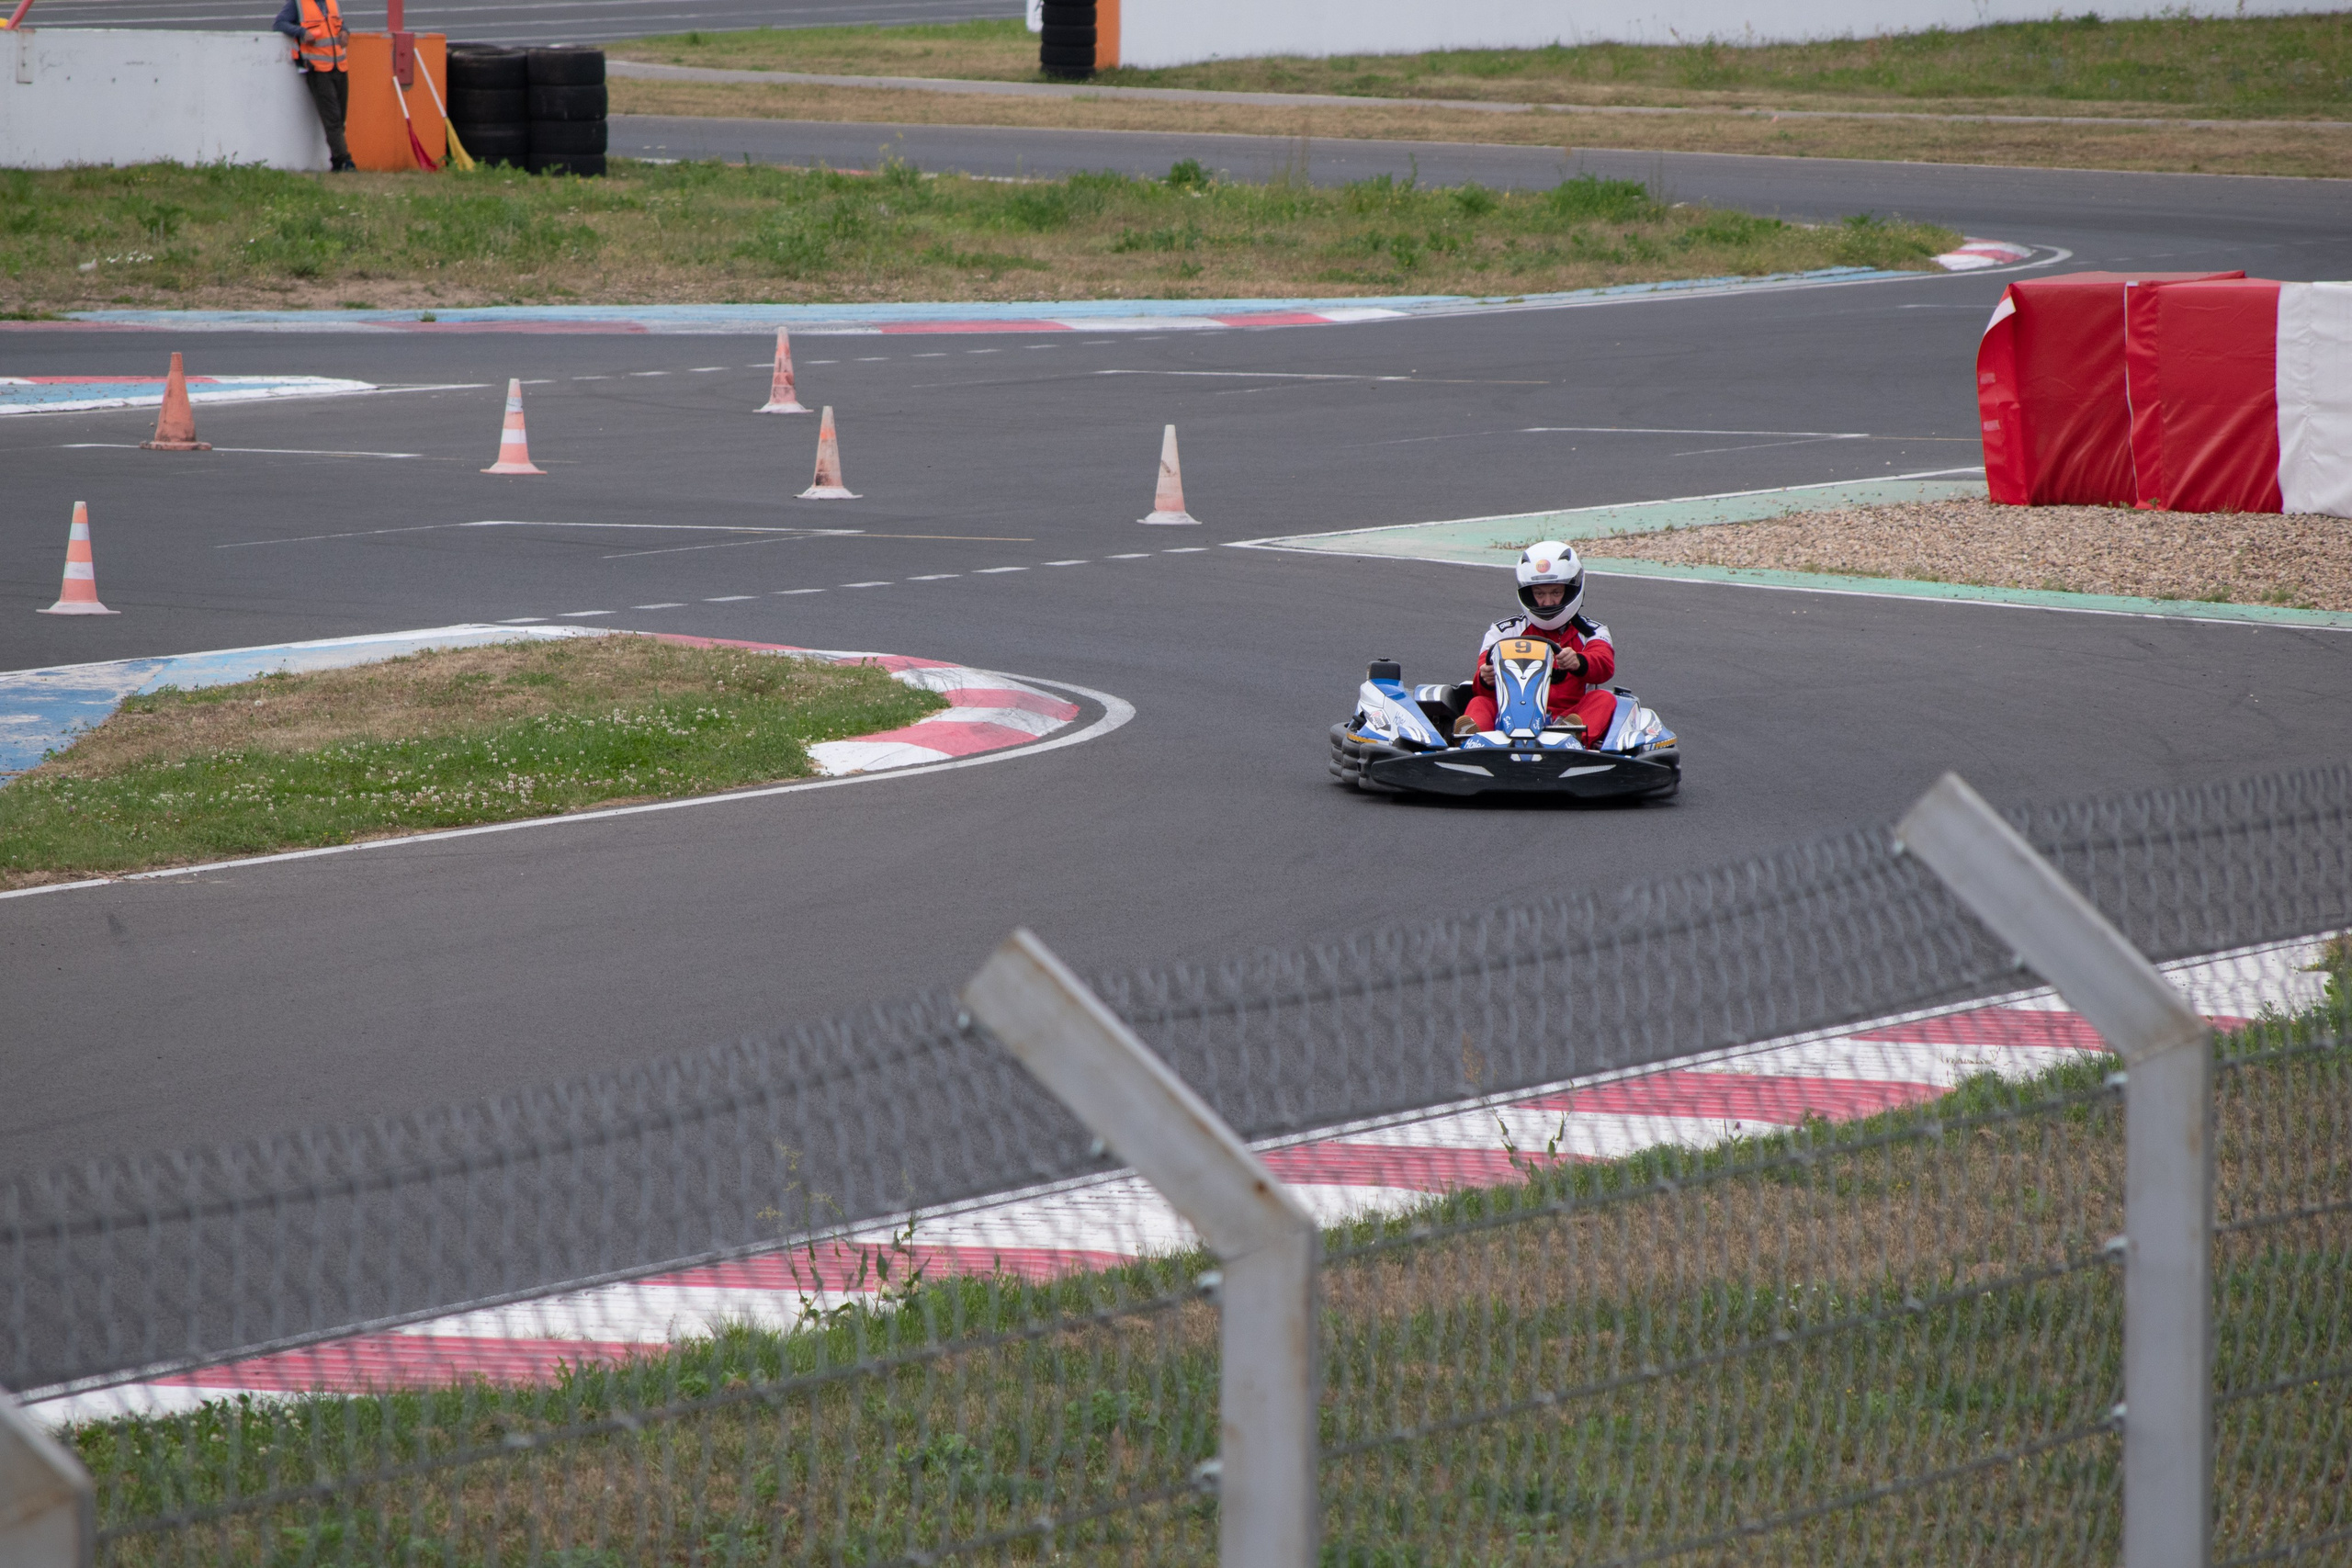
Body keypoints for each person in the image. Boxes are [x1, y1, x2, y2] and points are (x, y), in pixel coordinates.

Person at [1457, 541, 1619, 741]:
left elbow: (1604, 665)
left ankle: (1572, 738)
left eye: (1556, 593)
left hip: (1567, 717)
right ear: (1528, 593)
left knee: (1604, 699)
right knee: (1480, 701)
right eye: (1540, 594)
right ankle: (1471, 741)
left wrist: (1579, 661)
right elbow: (1481, 678)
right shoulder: (1504, 631)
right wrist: (1486, 677)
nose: (1548, 602)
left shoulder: (1592, 631)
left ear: (1571, 590)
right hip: (1507, 719)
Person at [274, 0, 354, 172]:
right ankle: (345, 160)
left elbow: (340, 23)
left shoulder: (332, 3)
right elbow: (279, 23)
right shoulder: (298, 4)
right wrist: (302, 32)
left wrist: (345, 32)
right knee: (332, 118)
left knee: (340, 119)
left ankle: (338, 162)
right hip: (318, 70)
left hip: (339, 66)